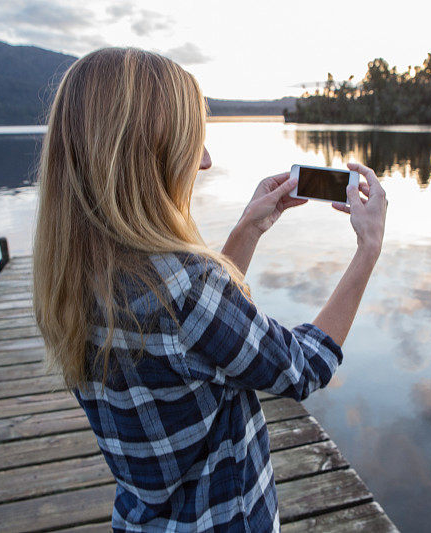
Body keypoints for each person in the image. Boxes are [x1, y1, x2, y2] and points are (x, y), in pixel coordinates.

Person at [32, 47, 387, 532]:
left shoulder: (70, 277)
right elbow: (305, 367)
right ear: (146, 151)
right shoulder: (187, 291)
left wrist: (247, 230)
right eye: (191, 141)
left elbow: (198, 346)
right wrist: (368, 249)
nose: (205, 161)